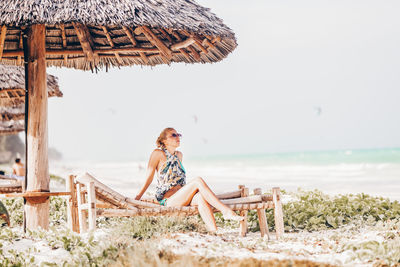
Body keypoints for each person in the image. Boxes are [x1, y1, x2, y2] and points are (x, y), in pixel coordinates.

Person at [135, 128, 243, 232]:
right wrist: (138, 197)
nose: (178, 137)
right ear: (164, 140)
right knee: (197, 180)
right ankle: (225, 211)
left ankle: (214, 231)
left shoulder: (179, 155)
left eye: (179, 135)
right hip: (169, 200)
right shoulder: (157, 153)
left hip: (184, 198)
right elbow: (149, 178)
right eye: (173, 135)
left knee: (201, 197)